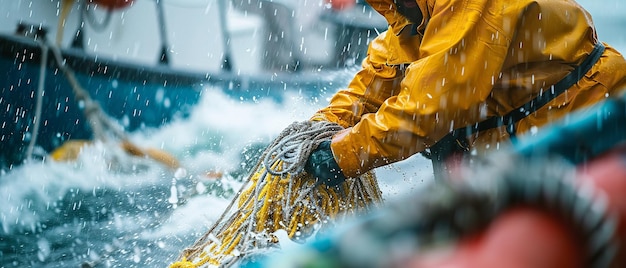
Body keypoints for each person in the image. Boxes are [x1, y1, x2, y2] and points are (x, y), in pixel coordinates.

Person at [303, 0, 626, 184]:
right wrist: (320, 130)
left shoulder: (469, 4)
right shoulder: (412, 13)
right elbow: (376, 80)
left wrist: (341, 155)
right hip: (522, 135)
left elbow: (432, 109)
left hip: (585, 118)